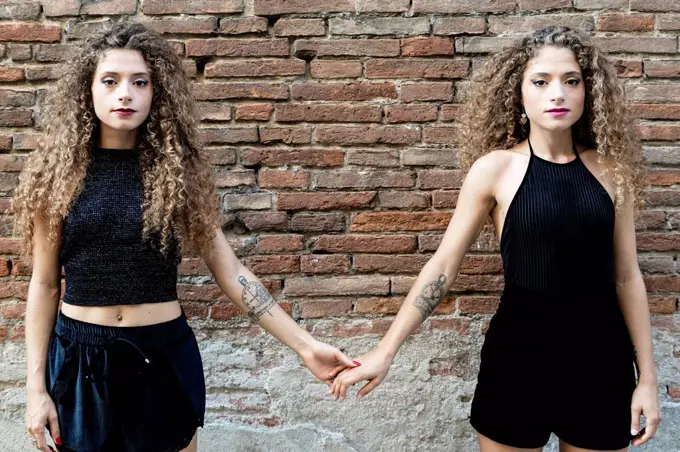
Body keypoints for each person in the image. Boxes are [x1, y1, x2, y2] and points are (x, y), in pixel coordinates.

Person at [15, 22, 358, 452]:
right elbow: (45, 284)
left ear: (156, 93)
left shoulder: (174, 174)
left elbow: (231, 271)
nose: (125, 93)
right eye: (111, 81)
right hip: (79, 358)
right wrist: (34, 389)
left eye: (140, 82)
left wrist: (305, 346)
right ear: (88, 90)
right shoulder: (58, 177)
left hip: (160, 355)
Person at [328, 27, 661, 452]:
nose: (556, 93)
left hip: (600, 363)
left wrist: (647, 379)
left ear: (587, 92)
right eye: (540, 82)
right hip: (518, 361)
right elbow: (444, 266)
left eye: (570, 80)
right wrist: (386, 351)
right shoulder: (494, 170)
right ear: (519, 94)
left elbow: (628, 277)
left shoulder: (613, 173)